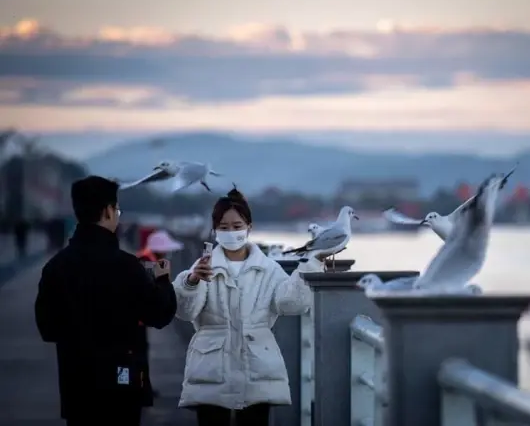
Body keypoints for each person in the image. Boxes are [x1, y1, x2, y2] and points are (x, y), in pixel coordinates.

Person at [173, 187, 327, 426]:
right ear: (214, 231)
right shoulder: (203, 266)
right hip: (212, 367)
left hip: (257, 366)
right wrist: (192, 281)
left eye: (237, 226)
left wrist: (310, 265)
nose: (231, 232)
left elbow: (290, 304)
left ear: (249, 228)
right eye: (224, 228)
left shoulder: (268, 268)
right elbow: (186, 312)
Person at [34, 175, 177, 426]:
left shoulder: (55, 268)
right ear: (109, 211)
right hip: (123, 382)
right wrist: (163, 280)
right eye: (117, 209)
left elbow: (47, 329)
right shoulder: (128, 266)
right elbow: (160, 314)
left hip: (76, 385)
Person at [136, 229, 184, 401]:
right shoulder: (147, 262)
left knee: (141, 355)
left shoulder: (145, 258)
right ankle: (142, 391)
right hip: (137, 321)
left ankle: (144, 388)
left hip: (139, 320)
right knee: (139, 356)